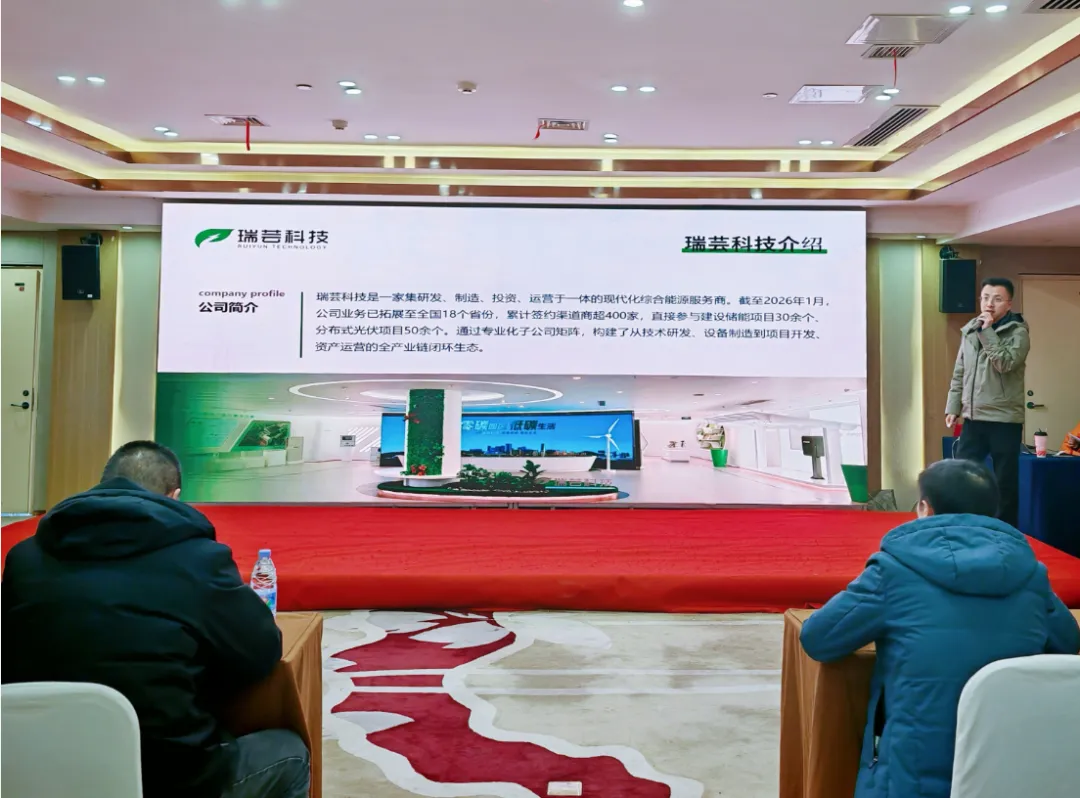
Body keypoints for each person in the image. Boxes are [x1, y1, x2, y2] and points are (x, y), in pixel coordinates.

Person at [1, 441, 309, 798]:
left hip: (36, 766)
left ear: (102, 484)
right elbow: (260, 651)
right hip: (170, 778)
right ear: (174, 496)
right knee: (290, 753)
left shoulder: (24, 559)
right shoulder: (198, 559)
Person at [800, 458, 1079, 798]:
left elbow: (819, 638)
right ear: (992, 511)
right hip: (1009, 770)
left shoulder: (894, 570)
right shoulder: (1031, 575)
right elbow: (1067, 642)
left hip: (910, 777)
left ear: (925, 508)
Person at [945, 276, 1029, 527]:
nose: (990, 303)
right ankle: (962, 525)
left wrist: (987, 331)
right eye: (985, 298)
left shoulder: (1018, 331)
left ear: (1009, 304)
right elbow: (960, 371)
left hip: (1004, 419)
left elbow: (1005, 363)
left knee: (1004, 481)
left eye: (997, 299)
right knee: (961, 475)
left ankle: (1004, 531)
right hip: (973, 417)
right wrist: (953, 406)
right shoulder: (971, 330)